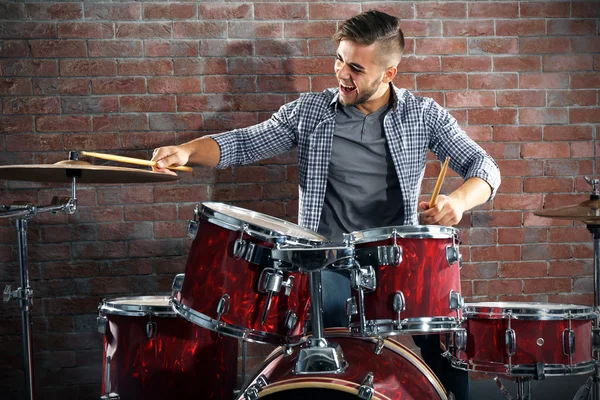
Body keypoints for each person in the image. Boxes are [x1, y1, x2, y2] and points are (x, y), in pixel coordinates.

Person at [152, 10, 500, 400]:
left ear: (389, 74)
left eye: (355, 67)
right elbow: (244, 142)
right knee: (328, 344)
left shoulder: (423, 116)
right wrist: (186, 152)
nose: (341, 74)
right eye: (338, 59)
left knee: (448, 338)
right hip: (327, 261)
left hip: (398, 260)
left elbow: (484, 167)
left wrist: (457, 200)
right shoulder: (311, 112)